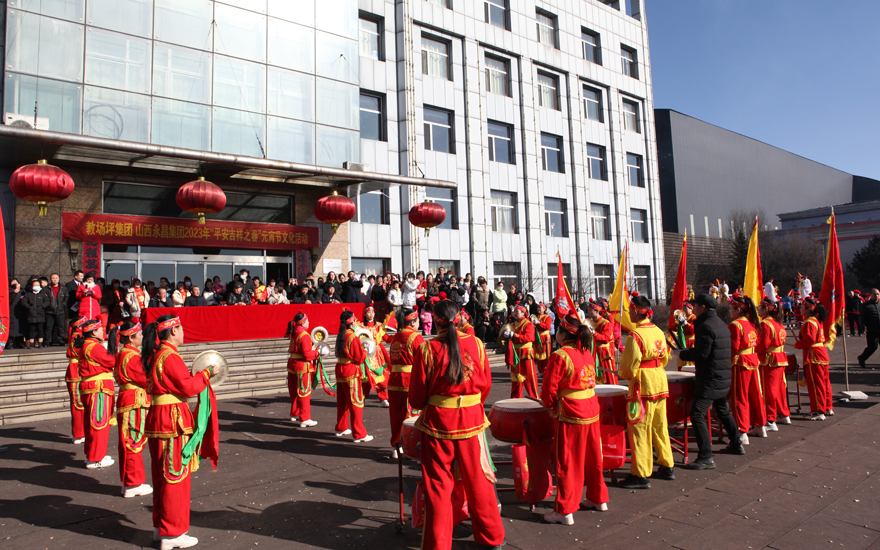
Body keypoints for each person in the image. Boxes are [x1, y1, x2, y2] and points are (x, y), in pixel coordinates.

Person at [409, 300, 505, 549]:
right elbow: (485, 385)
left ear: (436, 320)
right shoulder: (477, 344)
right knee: (479, 480)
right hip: (472, 421)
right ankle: (492, 537)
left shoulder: (427, 349)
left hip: (438, 424)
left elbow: (416, 399)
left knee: (438, 486)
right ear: (458, 318)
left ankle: (438, 545)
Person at [144, 315, 217, 549]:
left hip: (160, 417)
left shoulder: (159, 355)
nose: (184, 332)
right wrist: (206, 374)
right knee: (175, 477)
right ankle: (172, 533)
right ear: (173, 331)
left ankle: (161, 528)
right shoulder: (170, 356)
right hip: (172, 420)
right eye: (181, 328)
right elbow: (188, 386)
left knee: (162, 476)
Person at [541, 312, 609, 524]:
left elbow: (549, 390)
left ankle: (565, 510)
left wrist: (549, 404)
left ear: (563, 335)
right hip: (591, 409)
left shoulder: (560, 356)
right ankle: (598, 499)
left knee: (568, 461)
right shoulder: (587, 351)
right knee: (594, 457)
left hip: (571, 412)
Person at [679, 294, 743, 470]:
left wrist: (682, 353)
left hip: (711, 378)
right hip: (722, 376)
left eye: (696, 306)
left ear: (703, 308)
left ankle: (706, 456)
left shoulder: (706, 326)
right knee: (723, 410)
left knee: (697, 414)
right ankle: (736, 443)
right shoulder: (720, 324)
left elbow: (701, 354)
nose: (694, 309)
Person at [617, 295, 674, 489]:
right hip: (660, 380)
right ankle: (667, 464)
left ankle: (640, 474)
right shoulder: (658, 330)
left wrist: (623, 374)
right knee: (660, 426)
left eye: (630, 310)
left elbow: (628, 366)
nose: (628, 313)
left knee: (639, 428)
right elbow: (665, 358)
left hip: (642, 385)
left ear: (636, 311)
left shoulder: (635, 335)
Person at [109, 320, 153, 498]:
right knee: (134, 442)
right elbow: (145, 379)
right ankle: (133, 483)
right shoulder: (131, 356)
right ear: (131, 338)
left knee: (130, 441)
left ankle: (130, 481)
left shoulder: (125, 353)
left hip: (129, 399)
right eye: (139, 334)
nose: (142, 337)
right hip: (134, 401)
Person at [76, 319, 116, 469]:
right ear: (93, 332)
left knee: (92, 423)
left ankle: (93, 455)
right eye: (100, 329)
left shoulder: (87, 345)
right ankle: (96, 458)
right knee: (99, 423)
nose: (102, 332)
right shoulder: (94, 347)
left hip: (92, 387)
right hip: (98, 389)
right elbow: (112, 361)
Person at [728, 295, 767, 442]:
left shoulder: (735, 325)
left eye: (731, 308)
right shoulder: (751, 323)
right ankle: (760, 426)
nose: (729, 311)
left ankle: (741, 431)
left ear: (738, 310)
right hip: (753, 361)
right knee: (755, 394)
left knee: (739, 397)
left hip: (740, 363)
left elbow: (733, 347)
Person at [387, 308, 425, 459]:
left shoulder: (396, 336)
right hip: (410, 380)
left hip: (394, 379)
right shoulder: (415, 337)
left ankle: (396, 446)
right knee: (413, 416)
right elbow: (423, 361)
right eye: (418, 321)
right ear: (413, 322)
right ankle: (414, 447)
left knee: (396, 416)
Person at [334, 310, 373, 442]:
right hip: (350, 371)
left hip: (340, 369)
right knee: (356, 402)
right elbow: (359, 358)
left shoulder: (340, 335)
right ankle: (359, 433)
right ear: (352, 323)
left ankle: (341, 427)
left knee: (342, 401)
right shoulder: (353, 337)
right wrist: (365, 350)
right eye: (355, 320)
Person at [756, 297, 791, 431]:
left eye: (760, 307)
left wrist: (753, 350)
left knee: (768, 390)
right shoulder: (778, 323)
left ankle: (770, 420)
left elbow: (763, 344)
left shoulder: (765, 324)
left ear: (766, 309)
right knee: (780, 389)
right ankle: (784, 414)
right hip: (780, 358)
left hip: (769, 360)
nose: (758, 309)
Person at [796, 297, 833, 420]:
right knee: (824, 382)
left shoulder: (809, 322)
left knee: (816, 384)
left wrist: (799, 344)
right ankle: (827, 407)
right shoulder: (816, 321)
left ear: (808, 309)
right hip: (821, 353)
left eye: (802, 307)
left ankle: (818, 410)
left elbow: (810, 339)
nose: (800, 309)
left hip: (814, 355)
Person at [286, 314, 323, 428]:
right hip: (302, 366)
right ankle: (305, 418)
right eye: (307, 321)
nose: (309, 323)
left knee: (294, 391)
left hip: (292, 365)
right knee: (304, 392)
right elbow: (307, 355)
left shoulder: (294, 333)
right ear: (303, 323)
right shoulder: (304, 335)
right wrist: (317, 353)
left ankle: (295, 413)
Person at [502, 304, 538, 399]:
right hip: (515, 354)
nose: (515, 313)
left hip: (526, 353)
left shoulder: (528, 324)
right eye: (514, 312)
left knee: (529, 377)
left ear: (523, 313)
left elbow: (528, 338)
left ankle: (534, 397)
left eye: (517, 312)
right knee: (515, 377)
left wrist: (514, 335)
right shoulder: (512, 325)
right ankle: (515, 399)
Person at [66, 316, 89, 445]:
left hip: (77, 369)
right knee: (78, 404)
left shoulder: (78, 335)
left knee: (80, 404)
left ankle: (81, 432)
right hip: (76, 371)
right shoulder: (77, 337)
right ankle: (78, 433)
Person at [362, 305, 391, 407]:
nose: (371, 314)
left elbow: (386, 338)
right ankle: (362, 397)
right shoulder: (362, 327)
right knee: (366, 377)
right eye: (369, 312)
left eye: (373, 312)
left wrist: (395, 337)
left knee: (380, 376)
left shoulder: (379, 325)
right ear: (365, 314)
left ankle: (384, 399)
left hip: (378, 355)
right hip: (367, 355)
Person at [588, 301, 618, 384]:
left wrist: (594, 333)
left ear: (597, 311)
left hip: (603, 353)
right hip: (593, 351)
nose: (588, 312)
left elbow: (606, 338)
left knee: (607, 374)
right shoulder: (591, 322)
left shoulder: (605, 323)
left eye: (590, 310)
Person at [666, 302, 696, 371]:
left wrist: (685, 323)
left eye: (686, 308)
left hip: (690, 342)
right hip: (682, 341)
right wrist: (676, 322)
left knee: (691, 361)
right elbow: (673, 328)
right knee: (681, 360)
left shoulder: (694, 318)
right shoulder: (682, 316)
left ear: (691, 309)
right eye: (683, 308)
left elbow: (693, 330)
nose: (684, 309)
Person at [22, 277, 49, 348]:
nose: (36, 287)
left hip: (40, 314)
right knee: (32, 329)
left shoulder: (43, 294)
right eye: (35, 285)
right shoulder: (28, 294)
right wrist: (29, 307)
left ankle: (40, 343)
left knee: (40, 329)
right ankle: (31, 343)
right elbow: (23, 302)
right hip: (31, 314)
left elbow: (47, 302)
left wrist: (42, 307)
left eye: (38, 285)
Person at [44, 273, 69, 346]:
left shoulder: (63, 288)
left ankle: (61, 340)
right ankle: (48, 341)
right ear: (50, 279)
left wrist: (63, 304)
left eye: (56, 278)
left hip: (60, 310)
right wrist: (48, 305)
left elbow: (66, 297)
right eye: (53, 278)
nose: (55, 280)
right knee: (49, 327)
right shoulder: (46, 289)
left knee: (61, 327)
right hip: (49, 311)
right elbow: (45, 298)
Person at [858, 288, 880, 368]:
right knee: (872, 347)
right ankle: (862, 358)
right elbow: (863, 318)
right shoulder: (866, 305)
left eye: (877, 294)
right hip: (872, 331)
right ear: (870, 295)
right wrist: (863, 328)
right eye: (874, 294)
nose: (876, 296)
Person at [533, 303, 553, 373]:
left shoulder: (547, 317)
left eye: (540, 307)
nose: (538, 309)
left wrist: (539, 323)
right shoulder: (535, 317)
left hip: (545, 338)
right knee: (538, 355)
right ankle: (541, 371)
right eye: (538, 307)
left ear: (544, 309)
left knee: (546, 354)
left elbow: (547, 327)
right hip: (537, 337)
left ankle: (546, 370)